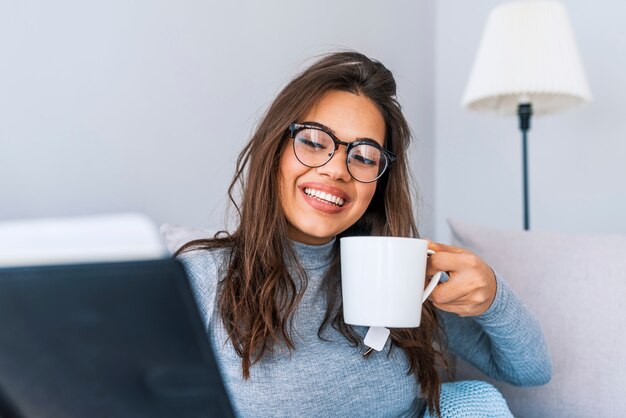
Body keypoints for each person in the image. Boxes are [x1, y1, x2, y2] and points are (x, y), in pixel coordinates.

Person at [176, 51, 551, 417]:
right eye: (313, 141)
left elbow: (530, 371)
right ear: (274, 149)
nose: (337, 169)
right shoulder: (202, 278)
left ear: (379, 183)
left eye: (364, 156)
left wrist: (493, 296)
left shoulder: (398, 271)